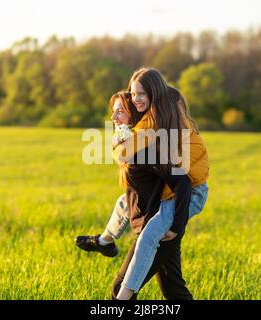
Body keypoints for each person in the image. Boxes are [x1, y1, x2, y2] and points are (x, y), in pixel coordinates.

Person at [77, 68, 209, 299]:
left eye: (120, 111)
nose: (114, 118)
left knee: (122, 293)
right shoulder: (148, 133)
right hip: (166, 205)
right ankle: (104, 241)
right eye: (133, 94)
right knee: (174, 290)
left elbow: (182, 184)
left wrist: (177, 225)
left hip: (174, 205)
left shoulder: (148, 142)